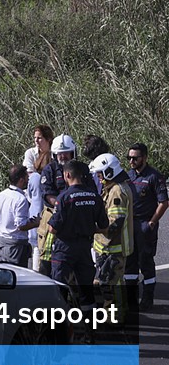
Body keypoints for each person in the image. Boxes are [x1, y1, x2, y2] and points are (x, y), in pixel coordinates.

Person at [48, 160, 108, 318]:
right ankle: (90, 331)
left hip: (64, 249)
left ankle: (60, 327)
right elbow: (104, 226)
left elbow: (53, 228)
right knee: (87, 291)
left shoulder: (64, 197)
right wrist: (87, 227)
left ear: (67, 175)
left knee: (59, 288)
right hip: (84, 249)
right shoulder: (95, 196)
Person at [90, 153, 135, 322]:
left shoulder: (116, 191)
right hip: (108, 246)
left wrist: (93, 229)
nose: (99, 177)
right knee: (112, 283)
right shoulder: (114, 187)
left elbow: (115, 224)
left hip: (114, 247)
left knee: (113, 284)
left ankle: (116, 318)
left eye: (100, 173)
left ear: (109, 171)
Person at [127, 143, 169, 309]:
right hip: (130, 224)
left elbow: (164, 202)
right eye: (129, 157)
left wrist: (152, 222)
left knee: (145, 261)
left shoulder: (154, 176)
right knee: (130, 262)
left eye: (135, 158)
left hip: (145, 224)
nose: (131, 161)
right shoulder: (128, 175)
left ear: (144, 158)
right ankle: (131, 298)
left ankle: (148, 297)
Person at [37, 133, 77, 276]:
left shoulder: (81, 169)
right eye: (59, 154)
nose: (62, 157)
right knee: (46, 261)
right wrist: (63, 208)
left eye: (66, 153)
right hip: (52, 218)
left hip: (75, 219)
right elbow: (48, 195)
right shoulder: (49, 170)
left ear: (73, 153)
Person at [0, 165, 39, 268]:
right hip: (16, 247)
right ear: (21, 180)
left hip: (1, 242)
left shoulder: (1, 195)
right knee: (18, 278)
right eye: (27, 178)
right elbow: (21, 226)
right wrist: (36, 223)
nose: (28, 180)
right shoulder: (21, 199)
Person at [23, 125, 54, 260]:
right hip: (35, 192)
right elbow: (29, 174)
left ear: (48, 139)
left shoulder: (54, 153)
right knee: (36, 180)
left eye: (40, 138)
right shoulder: (30, 153)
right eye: (35, 138)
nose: (36, 141)